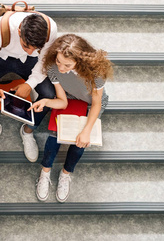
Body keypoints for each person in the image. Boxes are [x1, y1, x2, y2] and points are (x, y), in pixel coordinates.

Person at [30, 34, 113, 202]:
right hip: (71, 97)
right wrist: (46, 101)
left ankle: (66, 174)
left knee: (81, 139)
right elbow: (62, 101)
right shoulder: (54, 68)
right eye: (59, 62)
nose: (61, 68)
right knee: (54, 134)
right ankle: (45, 172)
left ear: (79, 62)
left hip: (92, 103)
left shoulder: (95, 73)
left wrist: (87, 131)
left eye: (67, 65)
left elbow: (97, 103)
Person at [0, 12, 58, 162]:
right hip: (0, 57)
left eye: (35, 48)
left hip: (31, 62)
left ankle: (28, 131)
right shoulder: (1, 29)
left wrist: (30, 84)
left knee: (49, 93)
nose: (29, 51)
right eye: (26, 46)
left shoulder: (51, 29)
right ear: (19, 31)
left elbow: (43, 62)